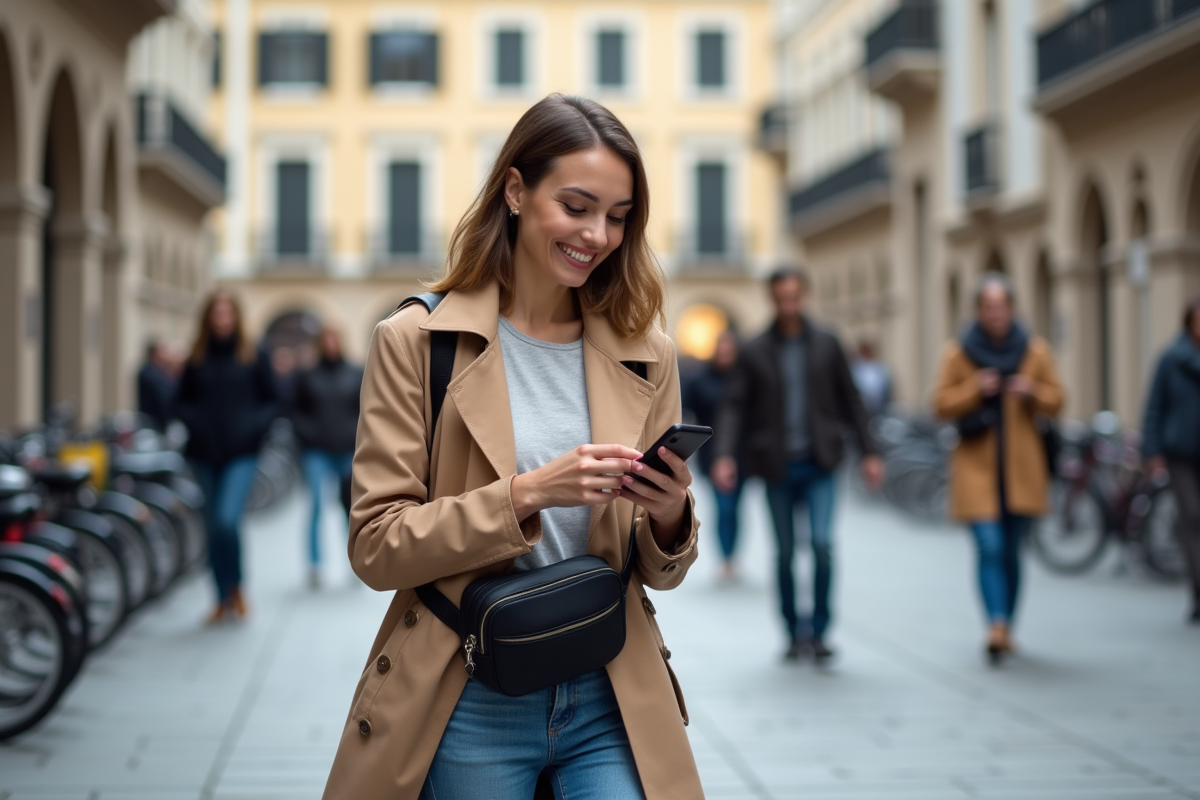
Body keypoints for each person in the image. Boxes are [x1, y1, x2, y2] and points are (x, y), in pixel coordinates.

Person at [323, 95, 703, 800]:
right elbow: (375, 546)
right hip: (468, 695)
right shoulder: (416, 343)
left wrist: (673, 512)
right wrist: (529, 493)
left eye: (618, 217)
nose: (597, 235)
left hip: (609, 691)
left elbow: (661, 571)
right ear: (516, 190)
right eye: (578, 206)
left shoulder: (648, 355)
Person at [713, 268, 884, 662]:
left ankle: (820, 630)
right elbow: (734, 407)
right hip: (777, 467)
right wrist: (723, 455)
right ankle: (793, 631)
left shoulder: (827, 343)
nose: (788, 304)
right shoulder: (754, 349)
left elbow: (851, 399)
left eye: (794, 296)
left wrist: (870, 452)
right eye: (781, 297)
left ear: (804, 296)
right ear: (772, 298)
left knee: (822, 546)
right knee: (786, 552)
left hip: (821, 462)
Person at [932, 272, 1064, 662]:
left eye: (1000, 306)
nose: (994, 314)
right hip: (978, 469)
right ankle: (996, 623)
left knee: (1010, 551)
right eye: (987, 307)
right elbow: (939, 404)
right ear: (978, 311)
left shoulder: (1034, 352)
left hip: (1021, 468)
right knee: (989, 547)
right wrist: (976, 387)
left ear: (1011, 308)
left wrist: (1032, 391)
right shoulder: (958, 354)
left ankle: (1007, 624)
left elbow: (1058, 400)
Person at [175, 291, 280, 623]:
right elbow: (179, 401)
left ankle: (236, 586)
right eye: (216, 313)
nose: (222, 319)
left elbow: (275, 399)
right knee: (212, 527)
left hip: (242, 453)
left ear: (235, 316)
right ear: (208, 318)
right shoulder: (197, 356)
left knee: (226, 520)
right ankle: (220, 597)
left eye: (227, 313)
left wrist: (254, 427)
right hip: (204, 454)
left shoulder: (254, 354)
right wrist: (196, 421)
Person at [1141, 296, 1200, 624]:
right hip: (1180, 453)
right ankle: (1197, 591)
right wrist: (1153, 452)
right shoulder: (1171, 359)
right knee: (1192, 517)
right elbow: (1154, 406)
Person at [290, 326, 363, 589]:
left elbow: (366, 409)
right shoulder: (308, 375)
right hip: (317, 452)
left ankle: (355, 563)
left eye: (335, 339)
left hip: (347, 452)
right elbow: (295, 411)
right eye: (327, 340)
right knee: (316, 506)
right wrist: (308, 434)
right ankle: (314, 565)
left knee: (351, 508)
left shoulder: (355, 373)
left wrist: (356, 436)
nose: (331, 344)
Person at [683, 329, 744, 580]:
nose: (725, 354)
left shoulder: (743, 378)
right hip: (711, 454)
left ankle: (732, 555)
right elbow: (687, 412)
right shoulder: (701, 380)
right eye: (722, 348)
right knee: (724, 507)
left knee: (736, 507)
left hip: (742, 454)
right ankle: (726, 557)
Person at [137, 339, 178, 431]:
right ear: (155, 353)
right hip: (153, 422)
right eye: (163, 351)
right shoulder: (149, 373)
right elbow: (164, 394)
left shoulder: (158, 371)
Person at [850, 338, 893, 420]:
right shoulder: (855, 368)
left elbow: (887, 390)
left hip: (879, 411)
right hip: (861, 411)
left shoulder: (880, 368)